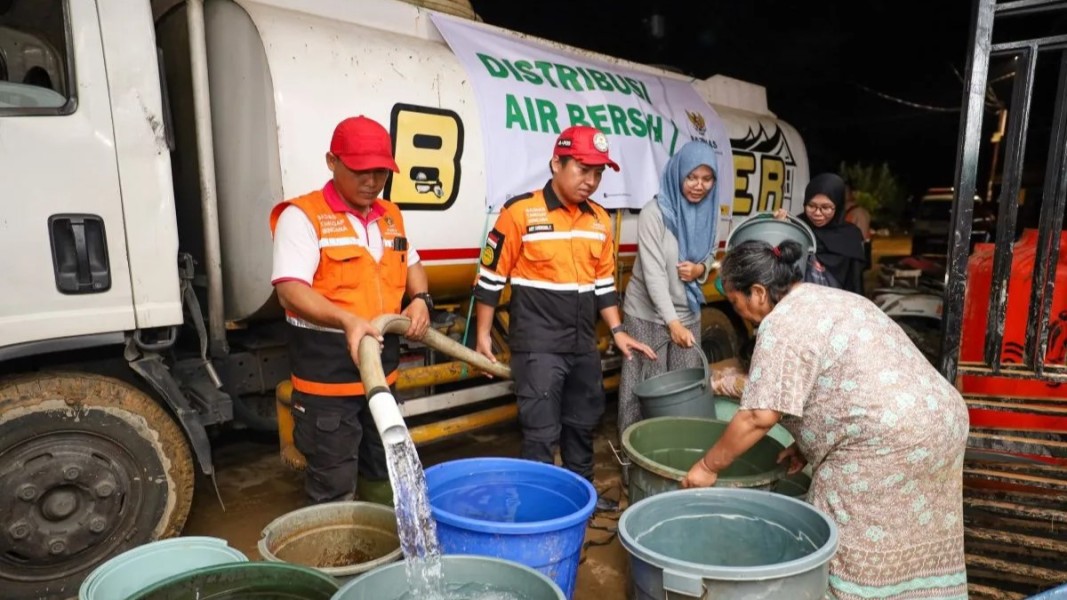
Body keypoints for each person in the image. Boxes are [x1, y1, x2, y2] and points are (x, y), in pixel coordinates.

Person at [682, 239, 969, 600]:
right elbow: (840, 379)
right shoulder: (831, 297)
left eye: (737, 303)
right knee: (917, 531)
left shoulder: (782, 323)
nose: (740, 313)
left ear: (757, 292)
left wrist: (707, 467)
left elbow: (757, 416)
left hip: (885, 441)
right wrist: (807, 443)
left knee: (841, 541)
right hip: (943, 419)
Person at [473, 125, 656, 495]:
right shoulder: (519, 212)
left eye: (598, 173)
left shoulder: (600, 220)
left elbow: (603, 284)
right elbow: (490, 279)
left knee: (582, 425)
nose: (591, 181)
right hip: (538, 346)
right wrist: (481, 337)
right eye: (583, 170)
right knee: (541, 434)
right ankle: (540, 508)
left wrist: (618, 331)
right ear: (556, 163)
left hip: (582, 345)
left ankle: (581, 501)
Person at [269, 115, 432, 505]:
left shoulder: (391, 215)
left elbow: (412, 263)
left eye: (380, 172)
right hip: (329, 385)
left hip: (382, 379)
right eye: (361, 171)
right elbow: (290, 290)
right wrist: (347, 320)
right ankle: (341, 560)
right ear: (332, 161)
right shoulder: (303, 216)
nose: (372, 182)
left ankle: (382, 549)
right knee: (334, 484)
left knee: (384, 468)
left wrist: (420, 298)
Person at [618, 141, 719, 439]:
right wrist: (671, 322)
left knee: (685, 388)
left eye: (707, 179)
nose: (699, 186)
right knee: (644, 387)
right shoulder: (655, 213)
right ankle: (632, 461)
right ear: (678, 174)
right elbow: (653, 274)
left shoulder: (709, 211)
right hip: (647, 314)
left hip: (687, 311)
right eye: (692, 177)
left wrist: (700, 270)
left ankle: (675, 455)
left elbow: (711, 252)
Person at [777, 173, 866, 294]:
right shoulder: (796, 227)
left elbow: (855, 284)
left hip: (838, 305)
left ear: (838, 206)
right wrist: (779, 229)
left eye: (826, 207)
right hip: (799, 303)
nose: (817, 213)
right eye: (811, 206)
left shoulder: (851, 236)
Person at [843, 180, 873, 268]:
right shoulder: (843, 212)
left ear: (851, 193)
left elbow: (862, 238)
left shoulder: (859, 213)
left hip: (855, 258)